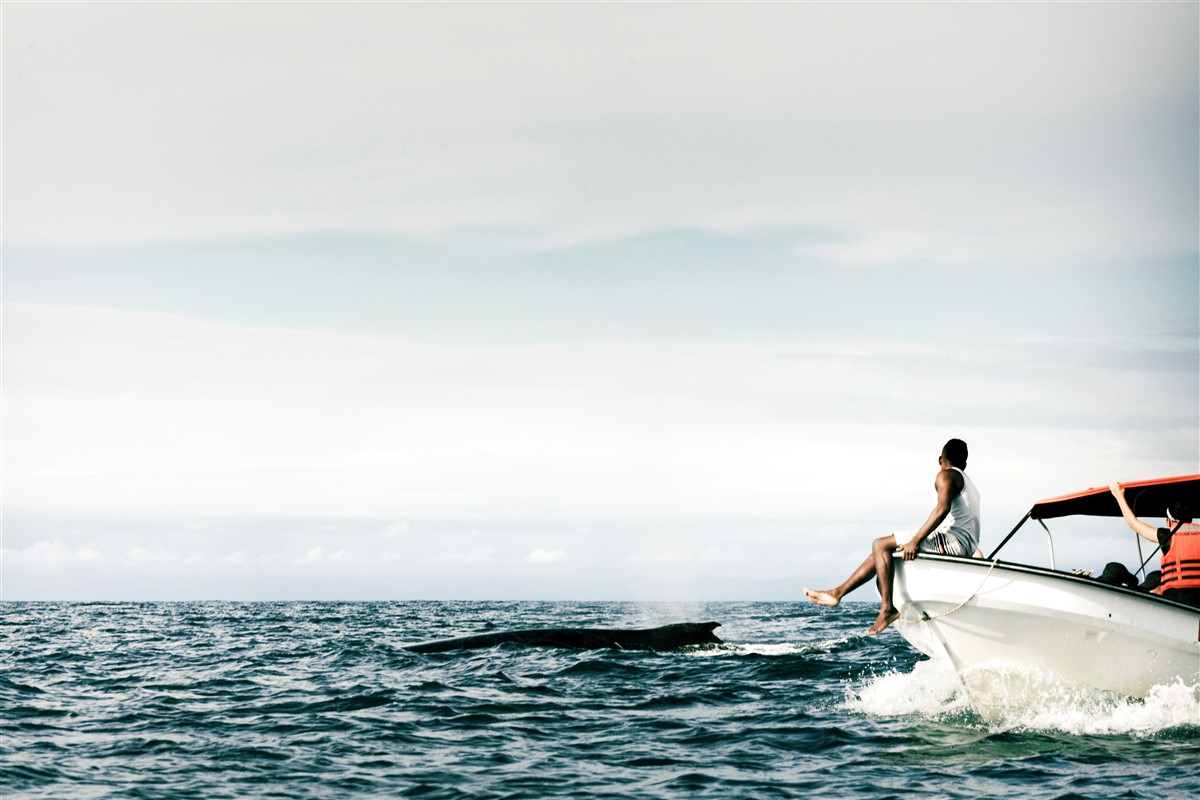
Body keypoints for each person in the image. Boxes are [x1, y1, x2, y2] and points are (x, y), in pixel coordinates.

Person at [804, 439, 981, 635]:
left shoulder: (945, 475)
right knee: (881, 551)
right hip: (964, 545)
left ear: (940, 459)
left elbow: (942, 509)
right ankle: (838, 593)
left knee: (879, 544)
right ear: (964, 464)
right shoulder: (970, 485)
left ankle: (887, 609)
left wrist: (915, 541)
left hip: (951, 543)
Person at [1108, 482, 1200, 606]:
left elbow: (1133, 524)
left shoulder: (1166, 536)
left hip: (1176, 601)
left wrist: (1119, 495)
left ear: (1169, 521)